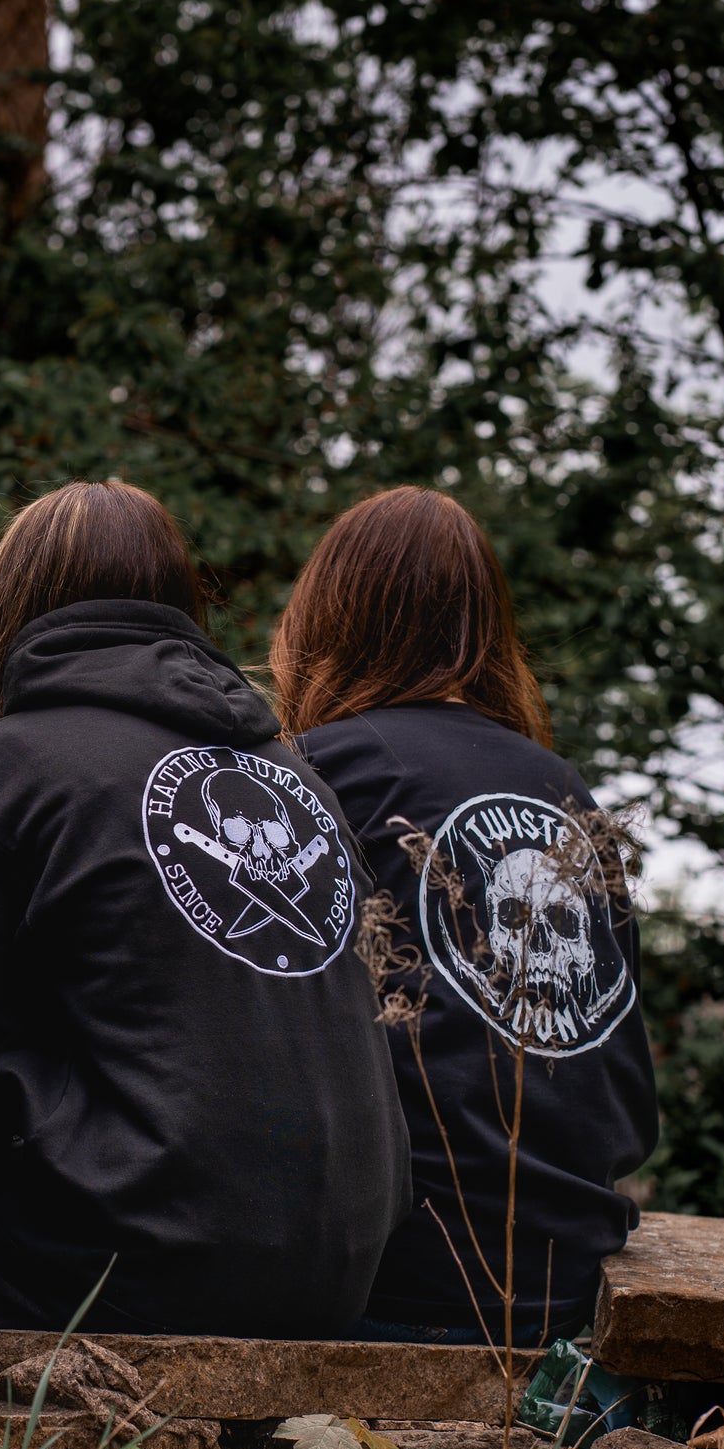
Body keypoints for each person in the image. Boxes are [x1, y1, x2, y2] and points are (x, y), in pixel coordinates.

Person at [0, 478, 411, 1337]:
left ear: (10, 606)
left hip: (133, 1268)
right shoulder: (299, 780)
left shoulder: (10, 767)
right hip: (341, 1272)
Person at [273, 486, 658, 1346]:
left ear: (322, 620)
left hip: (394, 1283)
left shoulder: (316, 772)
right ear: (485, 630)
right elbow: (623, 1086)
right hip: (562, 1282)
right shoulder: (564, 788)